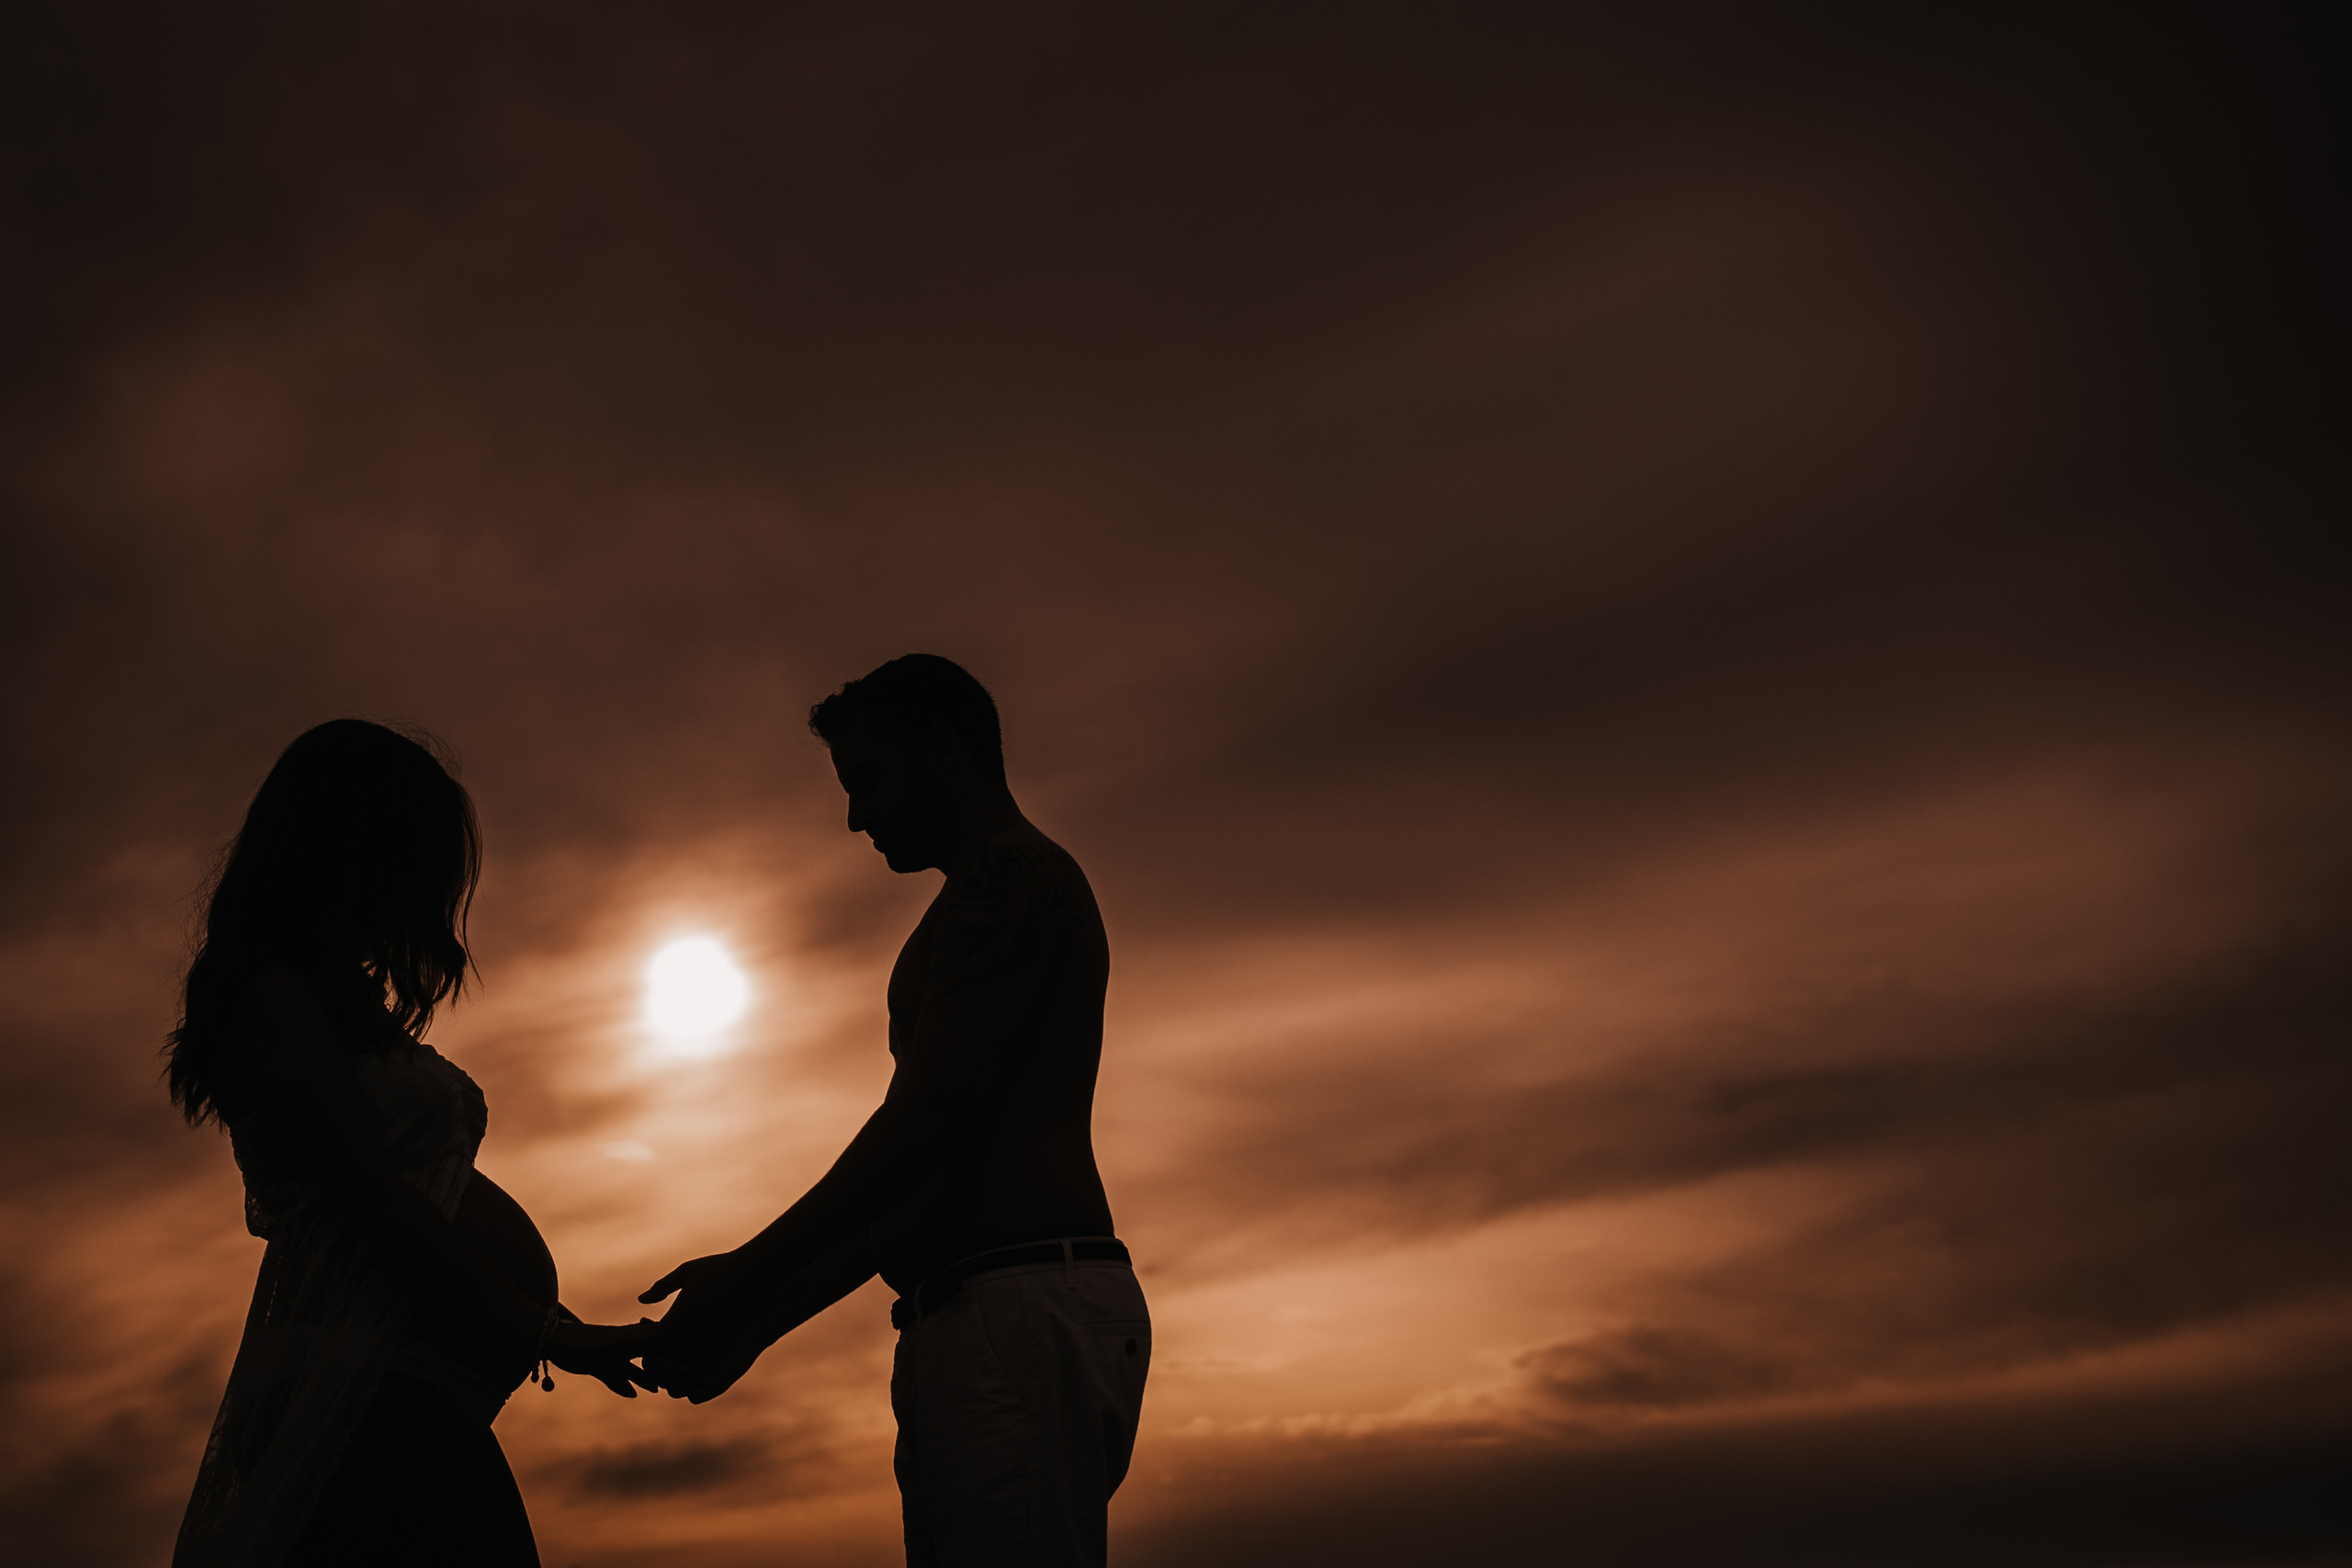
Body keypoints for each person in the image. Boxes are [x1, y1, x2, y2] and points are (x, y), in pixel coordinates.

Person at [639, 654, 1149, 1568]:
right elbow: (919, 1175)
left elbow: (925, 1127)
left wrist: (749, 1276)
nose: (854, 816)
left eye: (868, 781)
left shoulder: (1011, 885)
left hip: (1012, 1311)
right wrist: (758, 1319)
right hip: (981, 1315)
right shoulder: (975, 904)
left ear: (944, 752)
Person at [167, 719, 651, 1568]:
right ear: (349, 847)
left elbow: (416, 1198)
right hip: (361, 1394)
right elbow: (378, 1202)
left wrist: (553, 1323)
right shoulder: (270, 998)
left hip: (416, 1393)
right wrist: (546, 1332)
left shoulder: (331, 999)